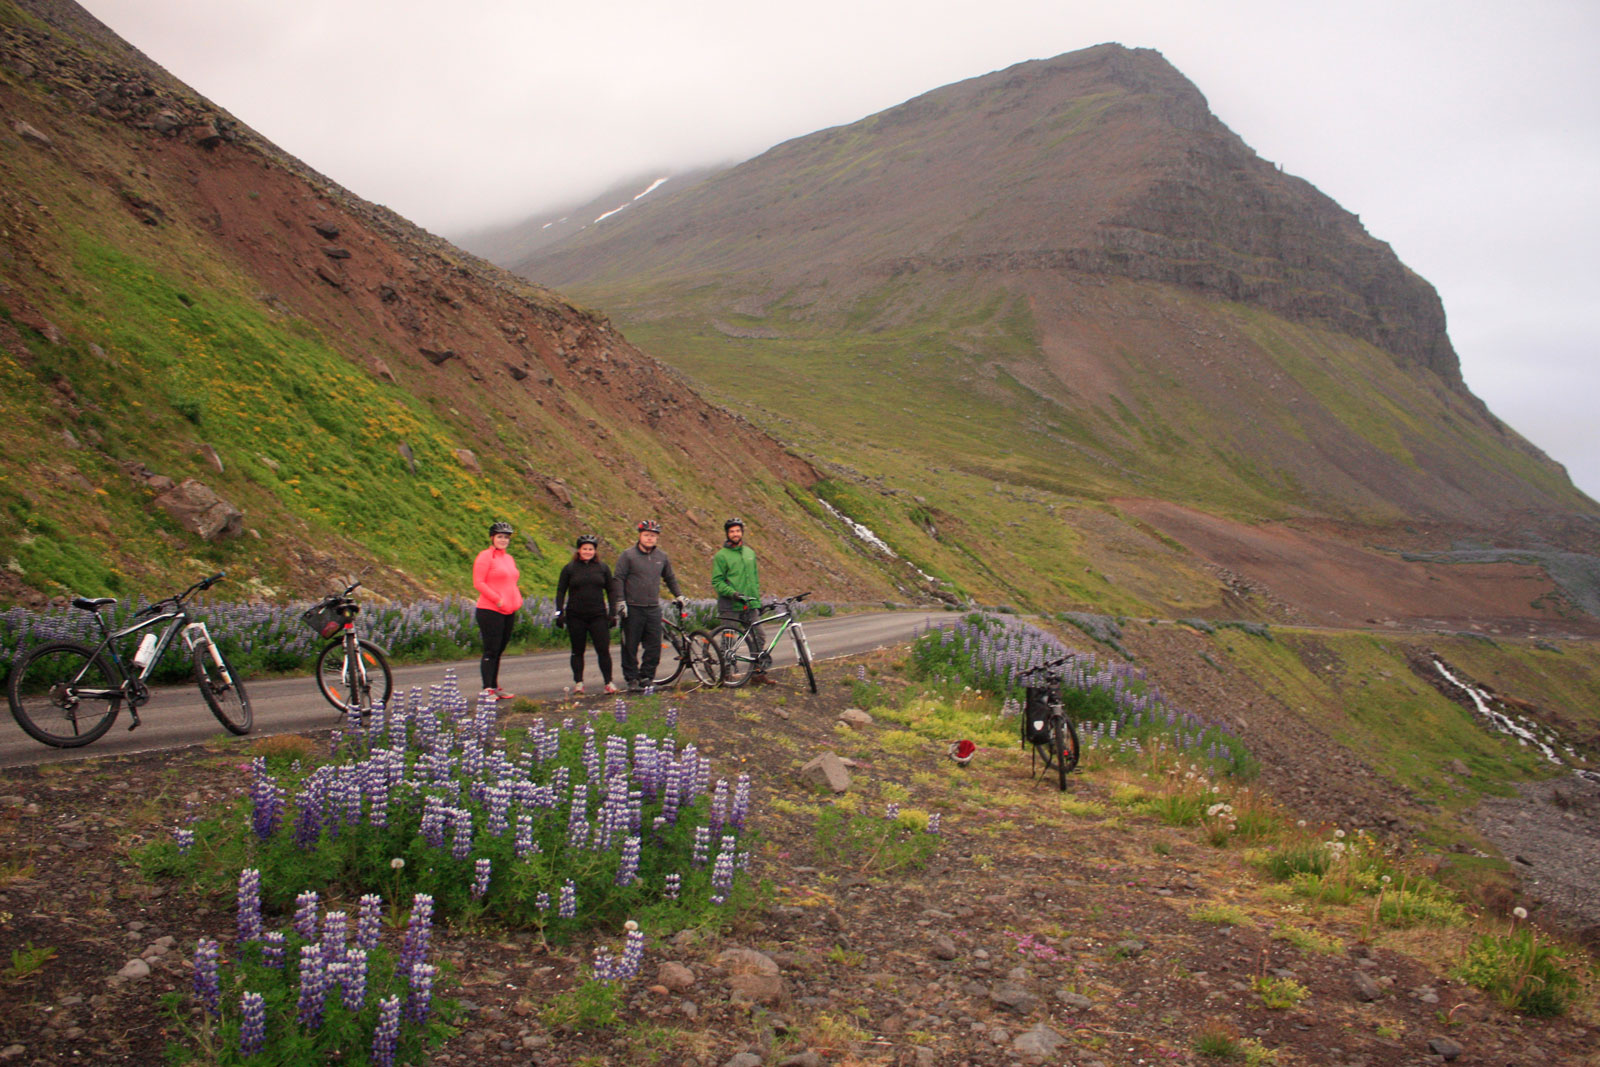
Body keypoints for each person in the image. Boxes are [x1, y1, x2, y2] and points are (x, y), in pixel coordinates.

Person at [612, 519, 684, 691]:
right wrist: (620, 601)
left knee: (653, 647)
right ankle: (632, 679)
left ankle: (646, 677)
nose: (649, 538)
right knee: (630, 646)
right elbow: (618, 578)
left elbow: (670, 578)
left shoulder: (662, 557)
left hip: (652, 608)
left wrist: (679, 595)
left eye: (653, 536)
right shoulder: (628, 555)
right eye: (646, 535)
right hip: (632, 608)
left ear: (657, 538)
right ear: (640, 536)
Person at [712, 517, 774, 684]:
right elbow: (717, 581)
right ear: (727, 534)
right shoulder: (721, 556)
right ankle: (724, 675)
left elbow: (754, 579)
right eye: (732, 531)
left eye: (737, 531)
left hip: (749, 604)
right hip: (730, 604)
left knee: (759, 636)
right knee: (729, 640)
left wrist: (757, 602)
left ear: (742, 533)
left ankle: (756, 673)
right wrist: (732, 593)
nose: (735, 534)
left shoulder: (750, 553)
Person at [554, 534, 617, 695]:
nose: (588, 551)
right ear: (579, 550)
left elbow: (611, 591)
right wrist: (559, 612)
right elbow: (561, 591)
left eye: (591, 549)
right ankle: (579, 683)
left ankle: (608, 682)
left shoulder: (603, 568)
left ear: (595, 551)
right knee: (577, 650)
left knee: (603, 649)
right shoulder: (569, 568)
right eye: (585, 549)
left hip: (598, 615)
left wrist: (612, 613)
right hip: (576, 616)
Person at [472, 520, 523, 700]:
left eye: (506, 537)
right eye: (500, 537)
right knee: (491, 650)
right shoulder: (485, 556)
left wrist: (516, 598)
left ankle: (495, 685)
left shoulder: (508, 558)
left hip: (509, 610)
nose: (503, 540)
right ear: (492, 538)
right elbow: (479, 582)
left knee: (500, 649)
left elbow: (511, 581)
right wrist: (498, 600)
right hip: (489, 609)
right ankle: (487, 688)